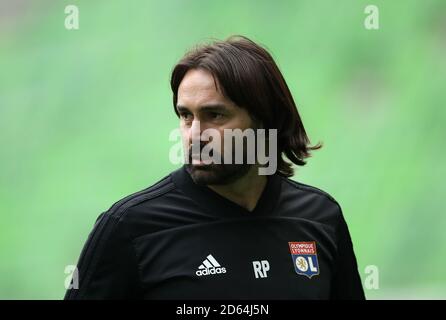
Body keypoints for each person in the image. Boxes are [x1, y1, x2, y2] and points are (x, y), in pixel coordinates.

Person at [64, 35, 365, 300]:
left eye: (215, 115)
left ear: (264, 121)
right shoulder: (129, 227)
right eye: (186, 116)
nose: (195, 134)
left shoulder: (321, 218)